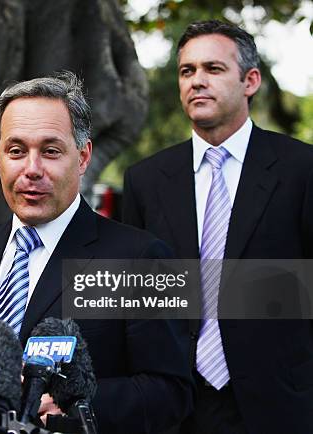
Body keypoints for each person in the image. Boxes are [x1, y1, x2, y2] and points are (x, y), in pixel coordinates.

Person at [0, 71, 194, 432]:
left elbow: (170, 392)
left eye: (50, 151)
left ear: (82, 157)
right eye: (16, 151)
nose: (32, 170)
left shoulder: (142, 258)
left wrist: (74, 404)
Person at [122, 20, 313, 434]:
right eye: (187, 71)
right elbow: (137, 301)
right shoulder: (145, 180)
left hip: (279, 405)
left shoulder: (302, 169)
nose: (196, 81)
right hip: (176, 406)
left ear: (251, 81)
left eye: (213, 69)